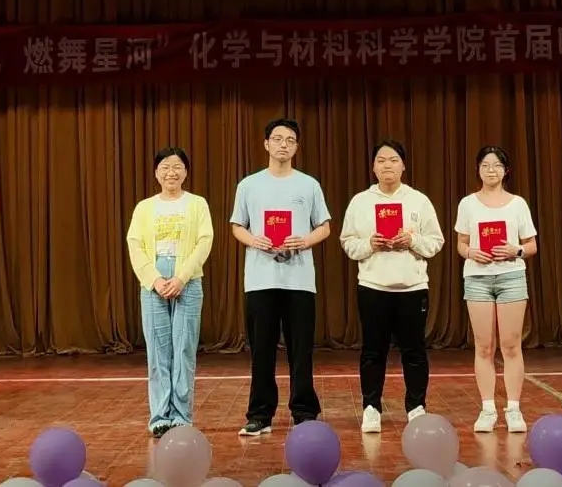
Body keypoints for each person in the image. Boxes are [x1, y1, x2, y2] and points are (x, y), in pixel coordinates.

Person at [230, 118, 332, 436]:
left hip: (299, 280)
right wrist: (254, 240)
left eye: (290, 139)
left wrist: (305, 240)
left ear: (296, 147)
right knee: (262, 350)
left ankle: (304, 411)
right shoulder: (249, 185)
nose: (283, 144)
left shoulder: (308, 185)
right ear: (266, 144)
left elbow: (325, 227)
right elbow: (237, 226)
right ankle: (259, 414)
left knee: (301, 350)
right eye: (277, 138)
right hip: (260, 279)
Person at [339, 140, 445, 434]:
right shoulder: (360, 201)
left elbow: (436, 241)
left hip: (412, 288)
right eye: (382, 160)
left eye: (394, 159)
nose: (388, 165)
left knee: (414, 351)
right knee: (373, 351)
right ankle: (371, 407)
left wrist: (412, 240)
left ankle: (416, 406)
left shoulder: (418, 201)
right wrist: (369, 244)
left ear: (404, 165)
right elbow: (347, 242)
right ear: (373, 167)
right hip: (373, 287)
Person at [126, 146, 214, 438]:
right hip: (153, 283)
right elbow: (135, 244)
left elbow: (204, 241)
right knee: (158, 352)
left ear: (186, 172)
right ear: (156, 173)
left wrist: (181, 277)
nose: (171, 173)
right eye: (165, 167)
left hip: (187, 281)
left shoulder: (197, 204)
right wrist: (154, 279)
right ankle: (159, 417)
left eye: (177, 167)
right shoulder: (144, 207)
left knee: (184, 349)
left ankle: (181, 416)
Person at [454, 145, 538, 434]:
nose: (491, 170)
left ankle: (513, 408)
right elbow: (461, 243)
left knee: (511, 345)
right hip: (477, 278)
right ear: (478, 170)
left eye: (497, 165)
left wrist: (515, 250)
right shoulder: (467, 204)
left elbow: (531, 245)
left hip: (511, 277)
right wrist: (470, 253)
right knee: (484, 346)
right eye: (485, 165)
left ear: (506, 170)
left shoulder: (518, 204)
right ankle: (487, 408)